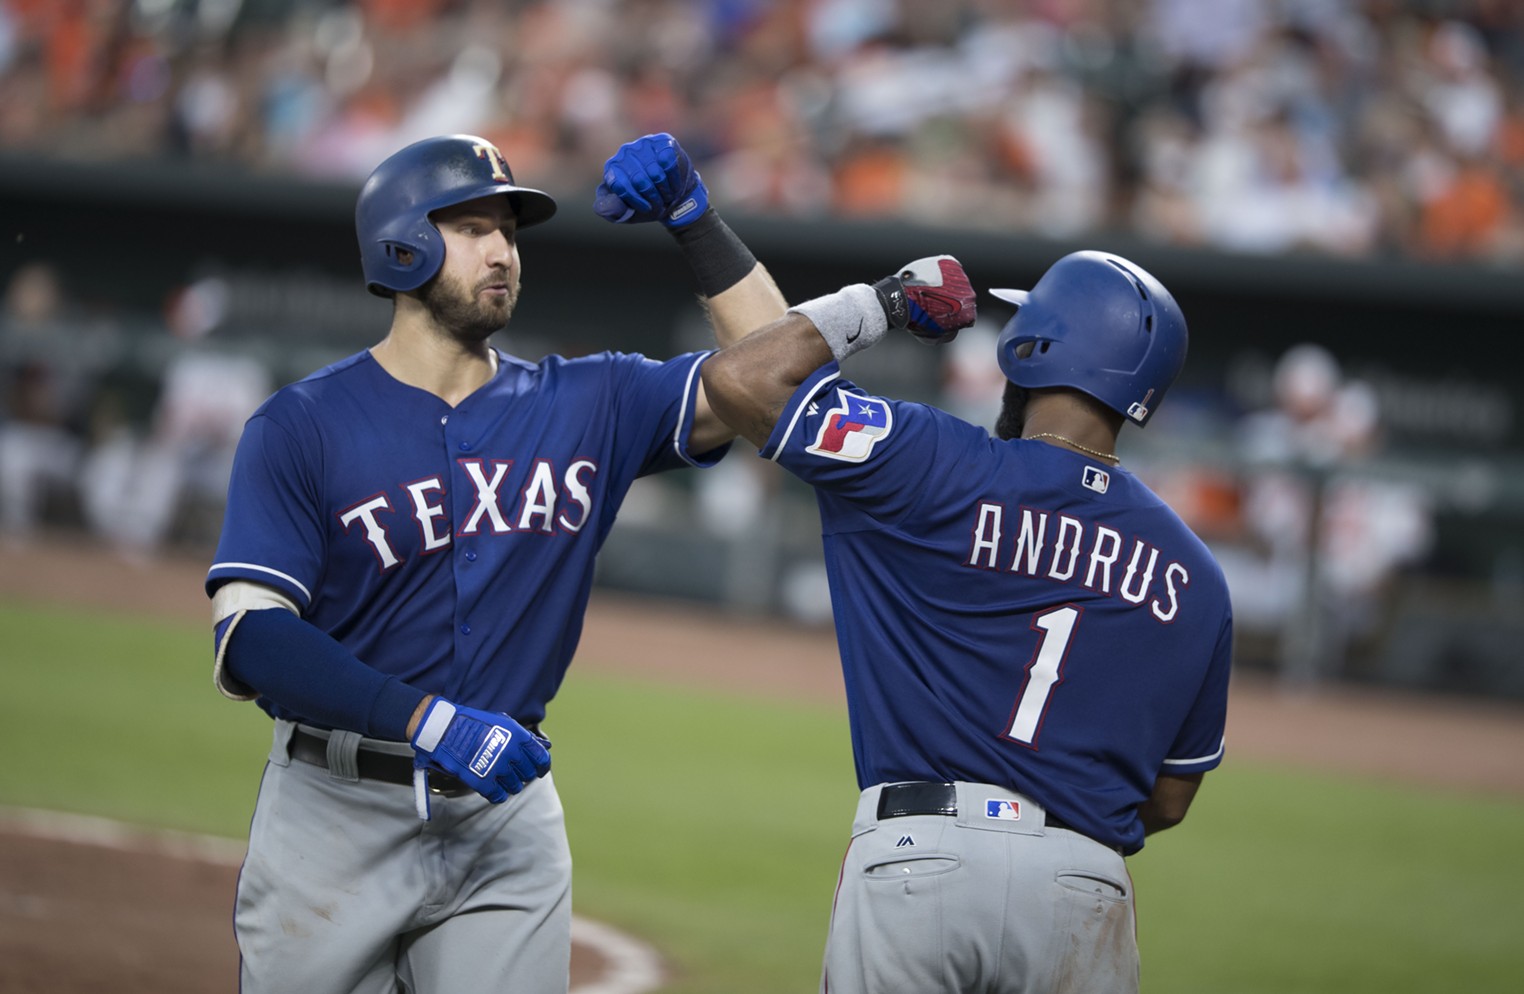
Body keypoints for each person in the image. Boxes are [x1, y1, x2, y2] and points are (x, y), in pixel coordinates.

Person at [204, 132, 787, 993]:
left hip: (504, 823)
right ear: (401, 245)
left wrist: (695, 220)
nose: (503, 252)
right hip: (336, 815)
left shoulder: (592, 401)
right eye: (474, 227)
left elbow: (773, 380)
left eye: (511, 233)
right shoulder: (301, 425)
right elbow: (250, 638)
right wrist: (428, 722)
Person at [696, 245, 1233, 992]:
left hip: (923, 858)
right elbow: (1170, 798)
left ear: (1029, 350)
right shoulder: (1198, 577)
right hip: (1088, 887)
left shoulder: (936, 463)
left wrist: (886, 298)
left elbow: (739, 377)